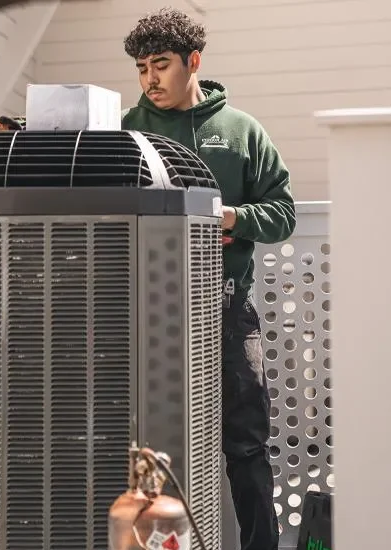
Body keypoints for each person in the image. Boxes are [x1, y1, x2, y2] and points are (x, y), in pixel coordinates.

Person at [121, 8, 296, 550]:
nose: (150, 79)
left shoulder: (241, 131)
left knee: (246, 447)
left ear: (192, 62)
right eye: (142, 68)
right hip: (144, 314)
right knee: (143, 442)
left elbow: (283, 213)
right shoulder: (126, 132)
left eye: (161, 65)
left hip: (228, 311)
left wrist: (233, 217)